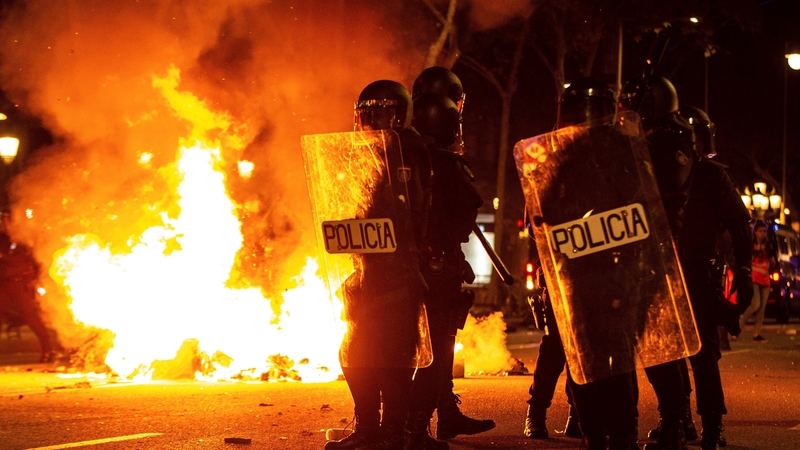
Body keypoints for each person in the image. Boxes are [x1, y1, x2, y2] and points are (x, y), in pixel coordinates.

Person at [622, 80, 753, 450]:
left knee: (699, 353)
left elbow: (740, 227)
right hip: (658, 270)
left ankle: (707, 424)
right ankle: (679, 422)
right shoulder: (643, 162)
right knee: (663, 349)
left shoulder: (709, 175)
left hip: (693, 271)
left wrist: (743, 272)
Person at [324, 80, 432, 450]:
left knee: (395, 355)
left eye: (379, 114)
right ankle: (368, 429)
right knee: (355, 353)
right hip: (366, 272)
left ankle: (392, 433)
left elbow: (410, 212)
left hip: (398, 271)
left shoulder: (408, 154)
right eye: (365, 114)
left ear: (399, 116)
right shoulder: (361, 156)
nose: (370, 122)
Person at [410, 66, 496, 443]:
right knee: (436, 349)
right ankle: (413, 425)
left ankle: (443, 413)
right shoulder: (444, 163)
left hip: (399, 266)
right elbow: (462, 216)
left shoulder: (396, 150)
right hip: (434, 265)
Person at [0, 213, 55, 363]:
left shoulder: (25, 240)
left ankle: (48, 349)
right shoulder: (2, 239)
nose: (7, 225)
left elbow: (32, 262)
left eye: (10, 222)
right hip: (4, 285)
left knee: (31, 318)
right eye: (5, 222)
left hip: (21, 285)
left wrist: (8, 261)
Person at [738, 220, 776, 342]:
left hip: (765, 278)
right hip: (754, 277)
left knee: (762, 308)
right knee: (756, 304)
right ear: (755, 232)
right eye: (760, 231)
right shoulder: (751, 245)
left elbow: (774, 263)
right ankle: (738, 325)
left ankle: (756, 334)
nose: (762, 234)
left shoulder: (768, 246)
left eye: (764, 231)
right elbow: (749, 259)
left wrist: (769, 253)